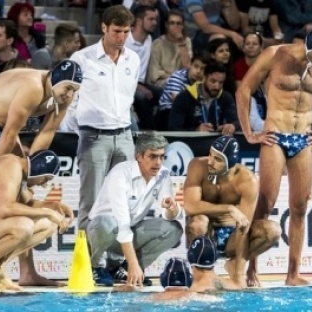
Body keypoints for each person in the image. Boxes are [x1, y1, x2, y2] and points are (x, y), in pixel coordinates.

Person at [235, 25, 312, 286]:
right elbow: (243, 90)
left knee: (300, 207)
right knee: (265, 204)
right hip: (275, 137)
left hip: (304, 139)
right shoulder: (274, 54)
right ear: (311, 45)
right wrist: (249, 133)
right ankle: (251, 269)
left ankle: (293, 274)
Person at [68, 5, 140, 230]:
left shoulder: (134, 59)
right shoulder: (82, 58)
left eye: (126, 31)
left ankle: (115, 262)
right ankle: (86, 263)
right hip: (94, 136)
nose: (122, 37)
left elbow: (129, 98)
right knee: (91, 204)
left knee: (122, 203)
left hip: (125, 136)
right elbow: (70, 101)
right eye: (117, 31)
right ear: (104, 27)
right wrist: (83, 132)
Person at [86, 132, 183, 287]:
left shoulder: (163, 174)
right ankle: (96, 266)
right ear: (139, 156)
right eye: (152, 156)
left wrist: (172, 208)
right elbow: (122, 223)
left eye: (162, 156)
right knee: (106, 223)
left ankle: (124, 270)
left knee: (173, 229)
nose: (158, 162)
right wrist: (133, 262)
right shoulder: (120, 174)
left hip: (129, 231)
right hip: (102, 232)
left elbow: (168, 215)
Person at [184, 136, 281, 287]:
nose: (210, 161)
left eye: (217, 159)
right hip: (205, 234)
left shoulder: (247, 181)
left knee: (273, 231)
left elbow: (243, 228)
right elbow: (190, 206)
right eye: (210, 155)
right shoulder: (197, 165)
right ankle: (202, 276)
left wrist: (238, 275)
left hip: (233, 238)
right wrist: (229, 208)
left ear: (230, 162)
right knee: (198, 222)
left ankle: (233, 264)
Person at [0, 150, 73, 292]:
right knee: (24, 226)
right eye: (46, 179)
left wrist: (53, 206)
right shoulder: (11, 165)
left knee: (50, 223)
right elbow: (5, 208)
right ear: (39, 168)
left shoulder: (20, 176)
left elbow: (25, 205)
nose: (43, 184)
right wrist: (46, 212)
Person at [0, 59, 82, 161]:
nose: (70, 94)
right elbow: (9, 133)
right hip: (1, 124)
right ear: (56, 79)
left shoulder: (65, 96)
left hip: (2, 126)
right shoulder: (34, 87)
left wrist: (32, 167)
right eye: (68, 88)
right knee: (2, 168)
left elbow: (47, 132)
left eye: (74, 90)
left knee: (21, 171)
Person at [168, 61, 240, 134]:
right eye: (213, 81)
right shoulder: (184, 97)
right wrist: (196, 131)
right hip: (190, 142)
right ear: (203, 78)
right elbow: (174, 128)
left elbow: (237, 121)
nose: (217, 86)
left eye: (220, 82)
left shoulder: (226, 97)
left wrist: (232, 126)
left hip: (216, 142)